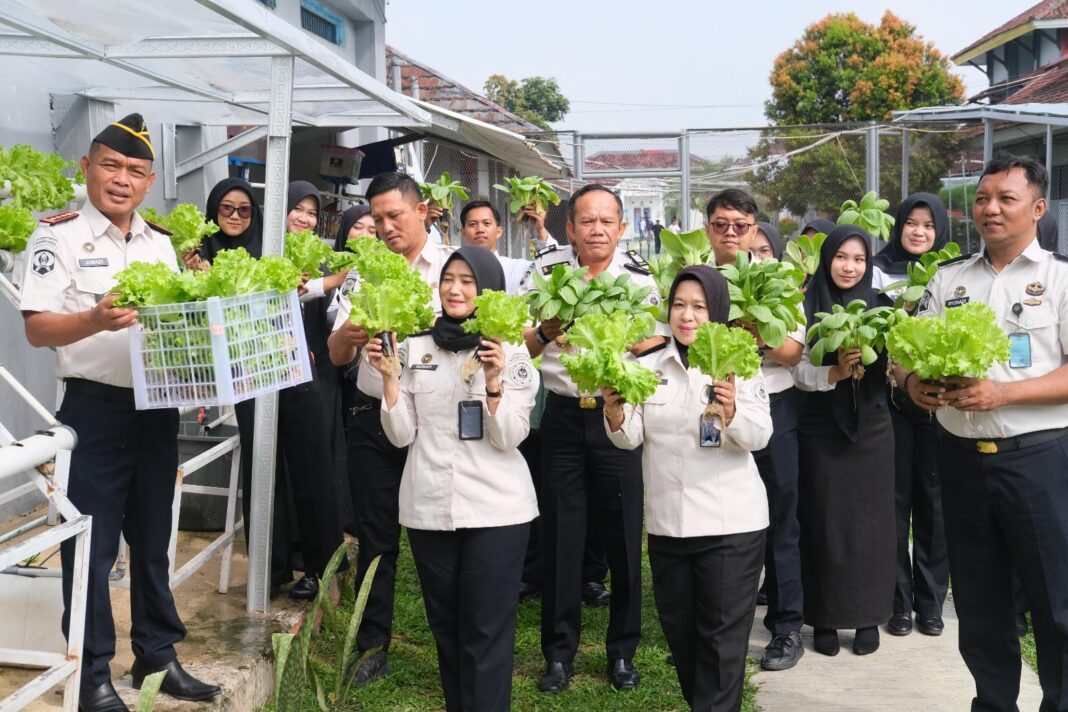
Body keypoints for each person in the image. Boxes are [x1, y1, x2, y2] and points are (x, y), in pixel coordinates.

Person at [19, 114, 220, 710]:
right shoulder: (55, 236)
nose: (121, 179)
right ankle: (91, 679)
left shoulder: (160, 243)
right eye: (110, 165)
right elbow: (37, 329)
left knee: (154, 541)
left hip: (157, 410)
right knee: (92, 548)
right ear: (86, 169)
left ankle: (157, 656)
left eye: (135, 171)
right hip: (94, 413)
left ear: (150, 180)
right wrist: (94, 318)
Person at [902, 155, 1068, 711]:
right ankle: (993, 703)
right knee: (979, 602)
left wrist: (1004, 393)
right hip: (962, 460)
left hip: (1040, 461)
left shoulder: (1061, 279)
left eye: (1006, 199)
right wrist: (911, 383)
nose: (990, 209)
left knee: (1057, 602)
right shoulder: (949, 280)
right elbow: (906, 354)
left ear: (1037, 209)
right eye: (982, 198)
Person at [366, 246, 538, 711]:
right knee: (447, 629)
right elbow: (401, 435)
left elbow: (511, 437)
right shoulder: (415, 345)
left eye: (468, 281)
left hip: (497, 509)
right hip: (429, 507)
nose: (455, 289)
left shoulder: (511, 350)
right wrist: (389, 380)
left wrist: (495, 381)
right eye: (448, 279)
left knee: (485, 632)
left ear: (488, 291)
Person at [603, 265, 771, 711]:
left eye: (698, 306)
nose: (687, 316)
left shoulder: (740, 363)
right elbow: (629, 438)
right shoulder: (648, 365)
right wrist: (615, 411)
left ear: (716, 310)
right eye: (679, 305)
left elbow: (760, 437)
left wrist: (733, 410)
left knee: (719, 652)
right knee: (684, 643)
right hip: (668, 529)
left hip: (729, 527)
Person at [518, 183, 662, 694]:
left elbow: (658, 339)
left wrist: (624, 345)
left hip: (616, 415)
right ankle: (558, 654)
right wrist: (548, 329)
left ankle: (623, 651)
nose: (597, 229)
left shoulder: (639, 277)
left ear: (622, 228)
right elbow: (523, 344)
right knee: (560, 535)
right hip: (561, 418)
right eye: (586, 221)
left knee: (624, 537)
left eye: (607, 221)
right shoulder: (548, 271)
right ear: (570, 228)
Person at [327, 171, 455, 684]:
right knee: (377, 535)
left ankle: (451, 636)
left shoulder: (452, 268)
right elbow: (336, 353)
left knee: (437, 533)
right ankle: (372, 643)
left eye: (393, 216)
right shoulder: (362, 273)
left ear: (422, 211)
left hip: (431, 420)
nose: (383, 227)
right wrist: (354, 336)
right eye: (376, 218)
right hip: (370, 418)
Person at [200, 178, 344, 601]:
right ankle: (271, 566)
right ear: (213, 212)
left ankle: (322, 567)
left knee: (310, 467)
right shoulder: (199, 256)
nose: (235, 216)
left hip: (291, 369)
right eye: (226, 208)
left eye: (244, 210)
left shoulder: (274, 249)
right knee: (262, 469)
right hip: (246, 376)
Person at [794, 225, 895, 657]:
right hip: (820, 428)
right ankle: (824, 618)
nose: (849, 267)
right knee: (823, 521)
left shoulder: (883, 307)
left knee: (872, 525)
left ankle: (869, 615)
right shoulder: (806, 304)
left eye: (858, 259)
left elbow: (900, 364)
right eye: (841, 257)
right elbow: (795, 371)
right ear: (827, 258)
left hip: (872, 428)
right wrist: (831, 373)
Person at [871, 193, 951, 639]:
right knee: (896, 502)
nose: (919, 232)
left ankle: (931, 602)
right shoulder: (879, 269)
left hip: (940, 405)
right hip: (894, 402)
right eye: (911, 223)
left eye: (928, 225)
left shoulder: (953, 272)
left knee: (935, 505)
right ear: (898, 225)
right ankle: (898, 602)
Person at [746, 221, 808, 672]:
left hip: (777, 404)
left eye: (766, 249)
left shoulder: (786, 290)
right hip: (720, 404)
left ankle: (786, 627)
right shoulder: (707, 280)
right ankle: (726, 620)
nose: (758, 256)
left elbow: (791, 351)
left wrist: (755, 328)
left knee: (782, 517)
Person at [459, 199, 530, 293]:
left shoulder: (517, 268)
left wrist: (540, 230)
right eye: (472, 224)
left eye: (486, 223)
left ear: (499, 231)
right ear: (463, 233)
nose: (480, 229)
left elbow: (547, 273)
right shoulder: (454, 268)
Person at [705, 189, 759, 267]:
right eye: (721, 224)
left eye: (740, 225)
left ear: (754, 232)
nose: (730, 232)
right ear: (707, 230)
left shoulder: (770, 276)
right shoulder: (695, 278)